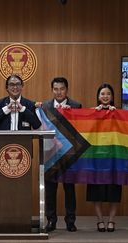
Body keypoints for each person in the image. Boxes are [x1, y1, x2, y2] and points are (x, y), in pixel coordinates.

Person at [37, 77, 81, 232]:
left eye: (62, 89)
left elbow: (81, 129)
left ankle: (70, 221)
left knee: (69, 188)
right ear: (52, 90)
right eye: (56, 89)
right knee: (50, 189)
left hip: (69, 153)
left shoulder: (76, 105)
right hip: (51, 153)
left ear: (66, 90)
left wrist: (73, 114)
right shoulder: (44, 106)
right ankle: (51, 220)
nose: (59, 92)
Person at [86, 83, 121, 233]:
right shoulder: (92, 112)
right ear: (98, 97)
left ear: (112, 97)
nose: (105, 96)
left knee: (114, 191)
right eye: (102, 94)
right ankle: (100, 220)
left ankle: (112, 220)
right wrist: (94, 114)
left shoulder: (118, 113)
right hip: (96, 157)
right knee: (96, 190)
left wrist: (117, 115)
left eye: (108, 94)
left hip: (114, 157)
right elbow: (85, 129)